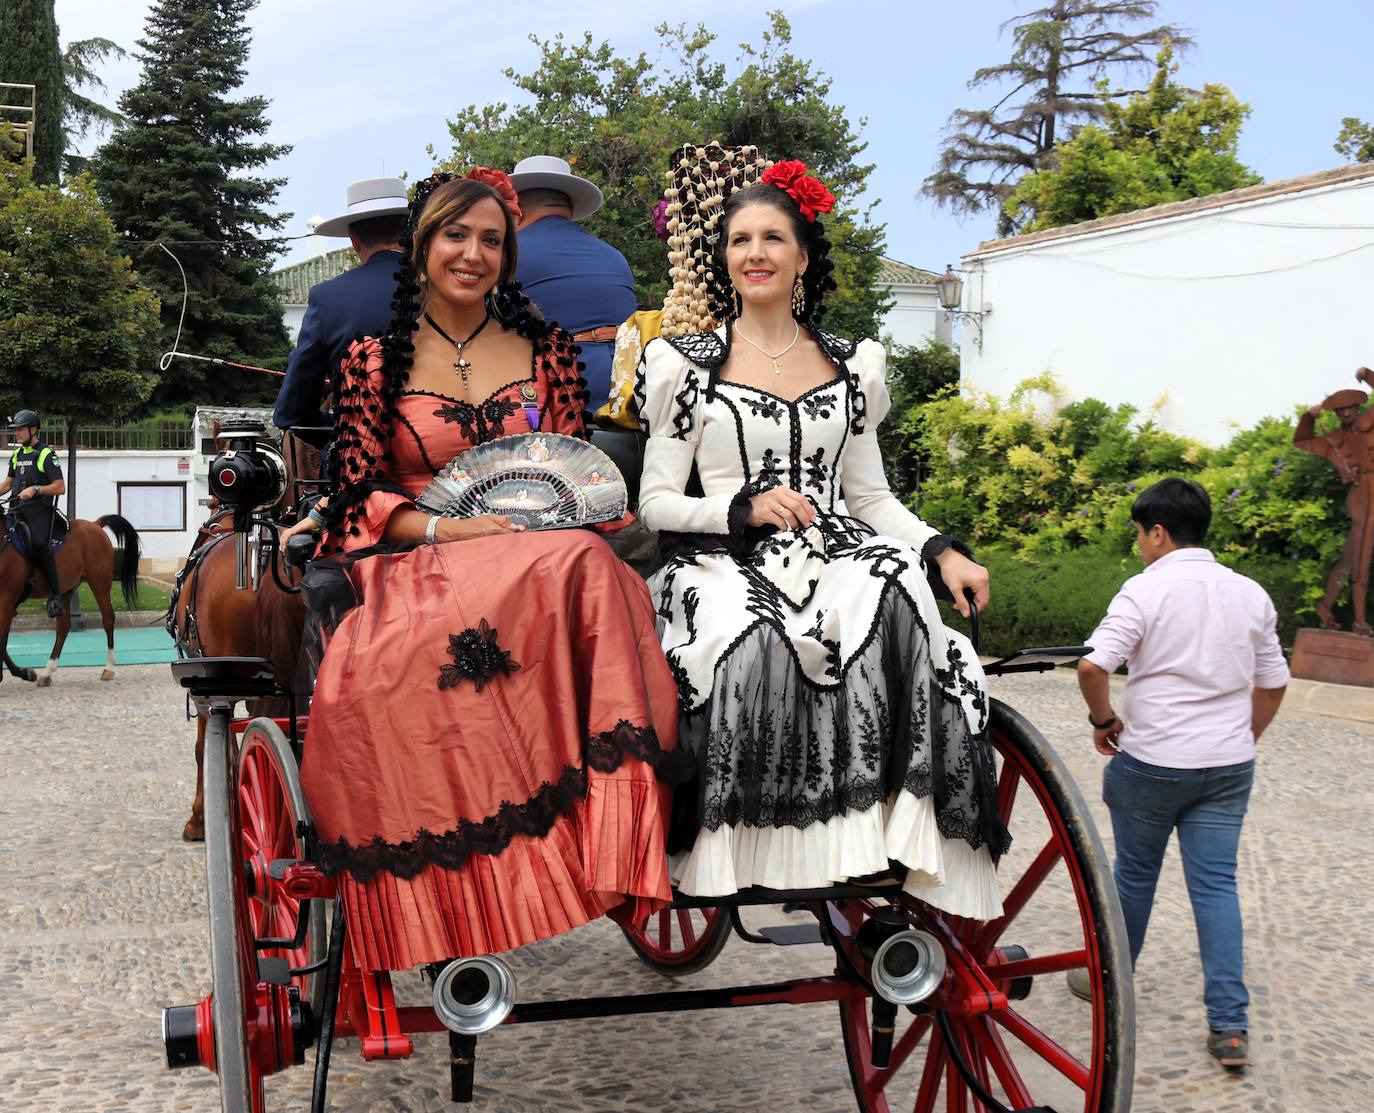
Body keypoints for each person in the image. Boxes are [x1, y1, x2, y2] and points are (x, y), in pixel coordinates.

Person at [297, 168, 686, 973]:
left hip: (545, 550)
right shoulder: (372, 360)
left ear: (508, 255)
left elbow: (574, 469)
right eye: (455, 235)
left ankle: (608, 839)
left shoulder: (547, 351)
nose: (472, 253)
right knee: (574, 567)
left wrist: (560, 516)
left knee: (587, 560)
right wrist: (449, 523)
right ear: (421, 247)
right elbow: (357, 494)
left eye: (490, 240)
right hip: (420, 558)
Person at [633, 159, 1007, 919]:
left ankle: (881, 837)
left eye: (773, 237)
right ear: (725, 257)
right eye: (740, 240)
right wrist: (739, 507)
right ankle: (752, 847)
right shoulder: (685, 367)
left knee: (894, 581)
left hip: (837, 549)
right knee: (749, 635)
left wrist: (941, 549)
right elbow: (656, 503)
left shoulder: (851, 366)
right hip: (721, 557)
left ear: (803, 255)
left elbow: (870, 497)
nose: (755, 253)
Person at [1073, 477, 1289, 1069]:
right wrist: (1244, 739)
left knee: (1134, 876)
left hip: (1153, 763)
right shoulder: (1250, 592)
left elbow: (1093, 667)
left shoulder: (1146, 590)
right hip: (1226, 766)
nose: (1140, 545)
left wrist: (1104, 720)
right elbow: (1273, 683)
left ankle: (1106, 982)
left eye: (1141, 534)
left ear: (1159, 532)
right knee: (1216, 887)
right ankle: (1230, 1027)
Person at [272, 177, 409, 431]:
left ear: (354, 240)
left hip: (360, 457)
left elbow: (291, 412)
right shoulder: (443, 288)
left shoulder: (328, 297)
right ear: (409, 232)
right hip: (447, 461)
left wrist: (344, 421)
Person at [510, 155, 636, 412]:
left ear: (518, 210)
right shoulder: (614, 256)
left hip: (563, 399)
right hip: (632, 392)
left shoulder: (507, 255)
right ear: (568, 209)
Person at [1292, 367, 1374, 635]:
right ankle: (1359, 622)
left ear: (1357, 408)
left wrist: (1369, 375)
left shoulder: (1371, 422)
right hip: (1362, 496)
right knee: (1362, 557)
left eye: (1349, 408)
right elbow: (1302, 440)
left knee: (1350, 560)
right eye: (1340, 411)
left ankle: (1325, 607)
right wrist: (1308, 416)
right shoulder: (1333, 439)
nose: (1346, 414)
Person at [2, 410, 68, 617]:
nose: (17, 434)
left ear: (33, 430)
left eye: (20, 430)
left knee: (39, 544)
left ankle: (55, 597)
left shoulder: (46, 454)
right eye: (16, 430)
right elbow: (8, 483)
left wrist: (36, 489)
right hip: (16, 509)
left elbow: (60, 487)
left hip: (39, 511)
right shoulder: (17, 454)